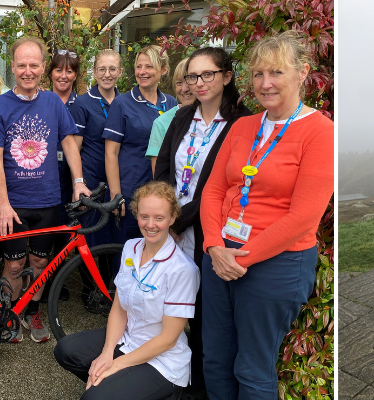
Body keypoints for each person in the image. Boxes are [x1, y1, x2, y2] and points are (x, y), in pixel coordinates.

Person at [198, 31, 334, 400]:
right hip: (220, 256)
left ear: (302, 72)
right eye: (258, 74)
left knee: (253, 368)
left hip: (276, 264)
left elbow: (304, 218)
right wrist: (213, 246)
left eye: (276, 72)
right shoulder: (242, 126)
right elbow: (212, 191)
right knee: (214, 360)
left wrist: (240, 256)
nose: (265, 83)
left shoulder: (321, 133)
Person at [153, 47, 251, 398]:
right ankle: (175, 381)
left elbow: (220, 187)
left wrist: (177, 220)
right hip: (171, 229)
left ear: (226, 77)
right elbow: (163, 168)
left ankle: (202, 389)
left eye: (208, 74)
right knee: (173, 309)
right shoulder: (182, 117)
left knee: (207, 321)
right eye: (193, 76)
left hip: (209, 231)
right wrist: (162, 216)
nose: (199, 82)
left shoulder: (243, 123)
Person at [0, 36, 90, 343]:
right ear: (12, 67)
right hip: (13, 204)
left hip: (47, 202)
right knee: (14, 264)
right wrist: (3, 203)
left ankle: (32, 311)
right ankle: (9, 314)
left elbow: (69, 142)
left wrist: (79, 181)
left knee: (41, 263)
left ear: (43, 67)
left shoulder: (53, 102)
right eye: (21, 65)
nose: (27, 71)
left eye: (33, 65)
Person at [54, 181, 199, 400]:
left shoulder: (183, 269)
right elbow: (120, 308)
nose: (151, 225)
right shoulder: (131, 248)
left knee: (93, 398)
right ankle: (112, 387)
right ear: (136, 215)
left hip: (162, 360)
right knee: (65, 350)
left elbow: (168, 339)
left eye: (159, 218)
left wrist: (116, 365)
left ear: (172, 218)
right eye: (144, 217)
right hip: (129, 340)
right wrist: (106, 355)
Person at [104, 45, 177, 243]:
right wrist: (116, 194)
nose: (142, 72)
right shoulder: (122, 103)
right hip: (131, 190)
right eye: (139, 67)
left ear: (163, 70)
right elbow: (111, 153)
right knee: (126, 249)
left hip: (162, 192)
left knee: (158, 248)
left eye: (149, 67)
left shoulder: (171, 103)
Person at [69, 49, 123, 313]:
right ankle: (92, 293)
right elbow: (74, 148)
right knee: (92, 239)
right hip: (92, 180)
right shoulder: (83, 103)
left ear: (120, 73)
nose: (107, 74)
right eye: (102, 69)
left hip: (118, 181)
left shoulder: (124, 101)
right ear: (94, 72)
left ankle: (113, 291)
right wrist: (77, 183)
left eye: (112, 69)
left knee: (115, 237)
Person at [48, 48, 81, 230]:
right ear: (51, 72)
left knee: (67, 230)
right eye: (59, 70)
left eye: (69, 71)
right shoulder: (40, 100)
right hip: (45, 176)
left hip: (70, 177)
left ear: (75, 75)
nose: (63, 76)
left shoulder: (81, 104)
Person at [146, 59, 195, 174]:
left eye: (189, 81)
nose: (184, 88)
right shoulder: (162, 123)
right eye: (179, 83)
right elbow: (159, 178)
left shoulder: (215, 117)